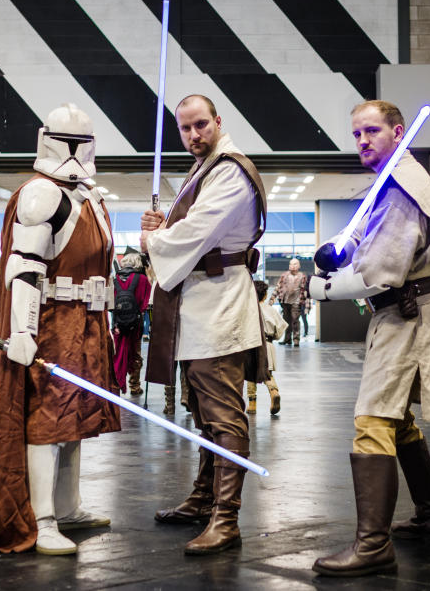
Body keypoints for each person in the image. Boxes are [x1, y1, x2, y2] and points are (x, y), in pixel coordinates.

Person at [0, 104, 121, 556]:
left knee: (75, 419)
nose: (76, 152)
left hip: (86, 324)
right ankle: (42, 517)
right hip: (53, 325)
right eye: (71, 142)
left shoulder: (91, 198)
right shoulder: (41, 195)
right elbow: (23, 269)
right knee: (48, 420)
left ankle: (67, 505)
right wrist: (22, 332)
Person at [308, 100, 430, 577]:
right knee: (399, 420)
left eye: (372, 131)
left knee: (373, 420)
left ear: (398, 132)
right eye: (356, 134)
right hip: (409, 313)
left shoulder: (400, 188)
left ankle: (373, 545)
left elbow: (380, 273)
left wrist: (322, 286)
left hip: (406, 314)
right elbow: (365, 239)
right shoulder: (393, 181)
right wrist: (338, 250)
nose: (362, 141)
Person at [141, 94, 267, 555]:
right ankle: (203, 498)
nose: (193, 135)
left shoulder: (230, 169)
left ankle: (226, 518)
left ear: (218, 120)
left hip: (218, 305)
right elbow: (188, 225)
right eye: (185, 128)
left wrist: (155, 238)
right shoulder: (207, 168)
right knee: (202, 410)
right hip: (199, 304)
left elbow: (197, 232)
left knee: (224, 414)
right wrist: (162, 225)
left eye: (200, 125)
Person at [111, 251, 151, 398]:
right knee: (135, 352)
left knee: (118, 353)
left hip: (118, 324)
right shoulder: (142, 279)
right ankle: (135, 386)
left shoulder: (115, 279)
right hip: (136, 324)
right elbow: (146, 304)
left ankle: (116, 383)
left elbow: (111, 303)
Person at [246, 280, 284, 415]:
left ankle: (252, 404)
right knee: (267, 372)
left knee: (250, 373)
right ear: (265, 295)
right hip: (267, 343)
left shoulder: (248, 309)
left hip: (252, 343)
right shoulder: (270, 310)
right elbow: (280, 329)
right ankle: (274, 391)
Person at [273, 258, 306, 346]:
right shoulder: (284, 275)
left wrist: (305, 303)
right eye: (291, 264)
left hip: (296, 301)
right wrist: (272, 298)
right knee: (286, 321)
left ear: (299, 265)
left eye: (295, 264)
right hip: (285, 301)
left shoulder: (302, 276)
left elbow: (304, 290)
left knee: (295, 320)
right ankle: (287, 339)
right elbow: (278, 286)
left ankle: (296, 339)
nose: (293, 266)